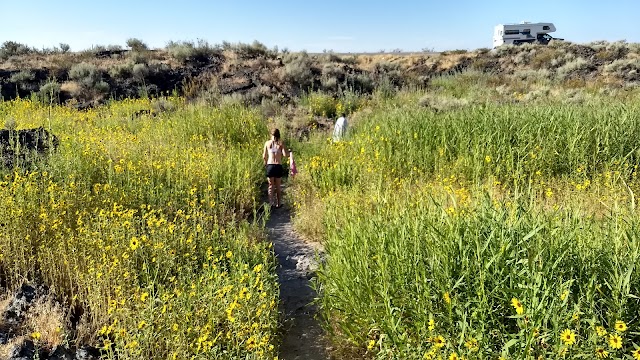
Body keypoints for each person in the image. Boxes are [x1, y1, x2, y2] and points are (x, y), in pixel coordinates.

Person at [263, 128, 288, 208]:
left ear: (271, 135)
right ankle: (279, 203)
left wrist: (265, 163)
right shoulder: (281, 143)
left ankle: (271, 203)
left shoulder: (267, 143)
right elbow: (285, 155)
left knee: (271, 186)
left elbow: (264, 156)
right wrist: (289, 152)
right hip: (278, 165)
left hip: (270, 165)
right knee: (278, 186)